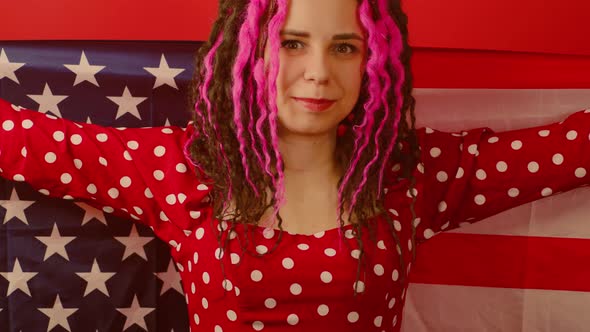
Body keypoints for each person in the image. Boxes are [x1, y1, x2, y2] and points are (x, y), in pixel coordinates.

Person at [0, 0, 588, 331]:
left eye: (345, 47)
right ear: (247, 53)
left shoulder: (411, 173)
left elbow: (569, 151)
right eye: (292, 43)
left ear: (373, 63)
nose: (317, 74)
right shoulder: (180, 168)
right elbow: (25, 140)